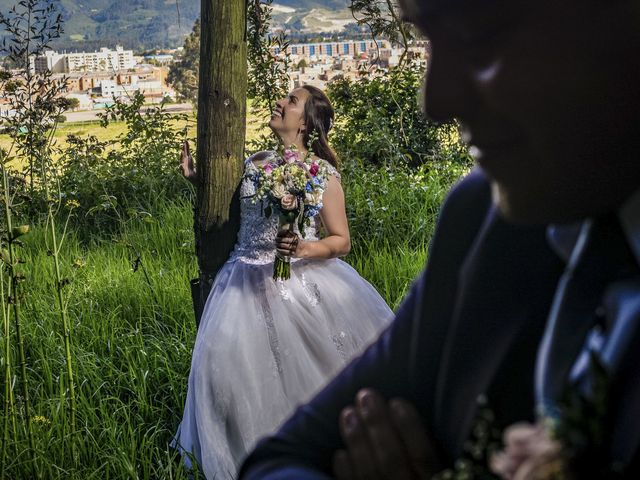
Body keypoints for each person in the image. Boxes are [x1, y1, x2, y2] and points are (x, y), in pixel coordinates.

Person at [239, 0, 640, 478]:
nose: (437, 100)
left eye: (483, 38)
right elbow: (277, 463)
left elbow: (338, 237)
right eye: (430, 39)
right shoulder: (481, 221)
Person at [173, 85, 393, 479]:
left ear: (306, 123)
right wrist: (196, 180)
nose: (279, 102)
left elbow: (341, 240)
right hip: (241, 277)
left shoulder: (321, 173)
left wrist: (303, 248)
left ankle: (312, 454)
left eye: (291, 101)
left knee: (308, 373)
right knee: (224, 373)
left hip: (298, 280)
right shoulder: (256, 162)